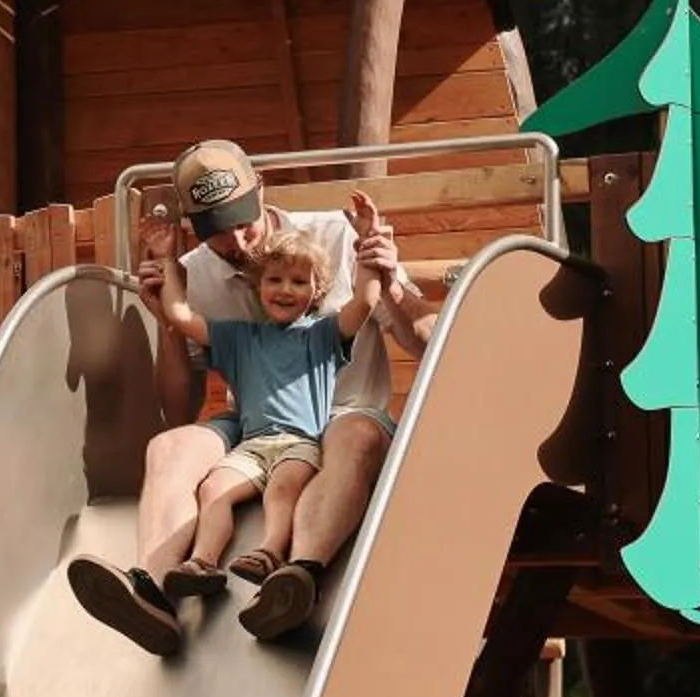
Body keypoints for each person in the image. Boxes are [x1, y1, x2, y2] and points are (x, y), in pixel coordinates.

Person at [70, 139, 432, 655]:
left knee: (350, 434)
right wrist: (168, 328)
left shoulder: (333, 236)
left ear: (261, 192)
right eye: (218, 232)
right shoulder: (193, 271)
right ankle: (151, 589)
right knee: (168, 447)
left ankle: (299, 575)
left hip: (341, 415)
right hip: (257, 424)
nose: (239, 241)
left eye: (246, 222)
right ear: (195, 226)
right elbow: (180, 407)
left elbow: (427, 342)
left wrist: (391, 280)